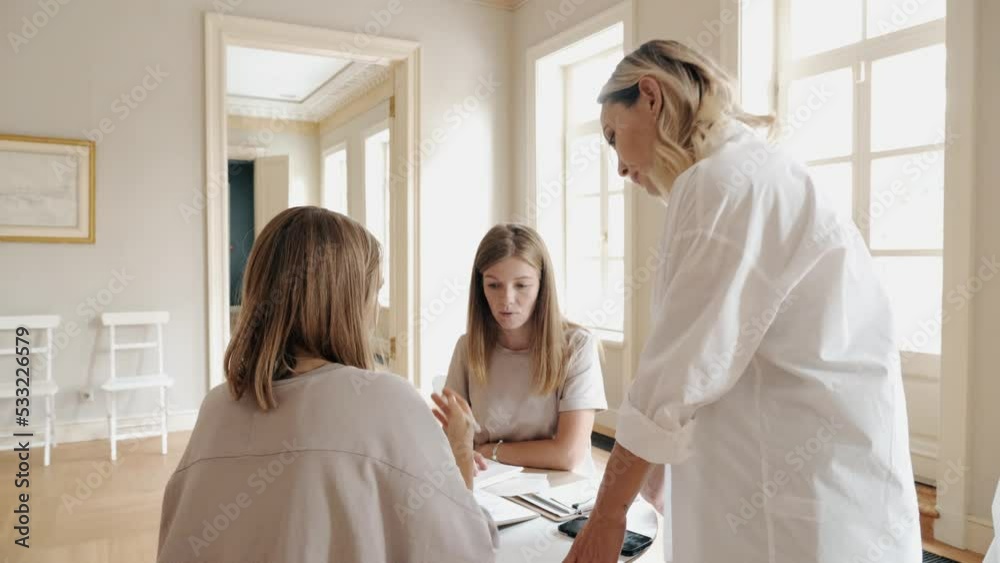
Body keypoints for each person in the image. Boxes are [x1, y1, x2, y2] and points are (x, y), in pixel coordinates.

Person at [564, 40, 921, 562]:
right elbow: (717, 353)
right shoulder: (756, 172)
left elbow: (673, 376)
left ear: (650, 96)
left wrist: (606, 517)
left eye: (613, 136)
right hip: (822, 476)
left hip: (798, 492)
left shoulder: (721, 183)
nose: (618, 166)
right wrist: (658, 468)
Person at [157, 206, 497, 563]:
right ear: (348, 301)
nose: (375, 311)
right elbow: (467, 549)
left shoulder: (217, 407)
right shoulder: (385, 400)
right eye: (374, 292)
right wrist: (460, 452)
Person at [435, 223, 608, 474]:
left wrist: (489, 451)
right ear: (480, 287)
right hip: (488, 484)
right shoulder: (467, 347)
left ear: (541, 285)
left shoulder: (578, 346)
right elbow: (452, 440)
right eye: (493, 285)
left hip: (560, 489)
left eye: (522, 285)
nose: (506, 300)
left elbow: (568, 454)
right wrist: (463, 451)